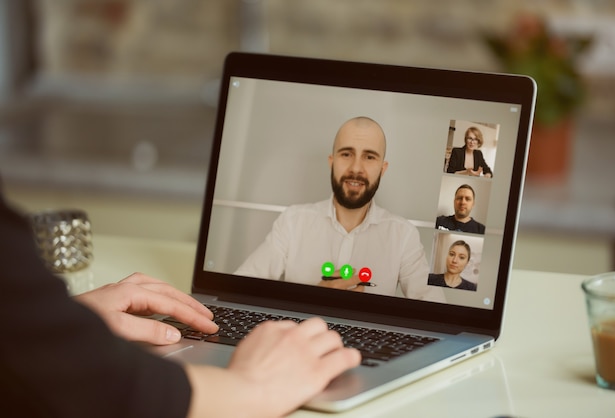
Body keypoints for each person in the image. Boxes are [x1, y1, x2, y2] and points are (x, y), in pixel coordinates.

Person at [0, 188, 361, 417]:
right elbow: (106, 391)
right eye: (347, 153)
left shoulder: (400, 233)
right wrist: (250, 388)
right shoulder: (296, 221)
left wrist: (51, 321)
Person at [235, 116, 443, 302]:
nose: (355, 168)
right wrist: (313, 299)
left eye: (369, 157)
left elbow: (435, 313)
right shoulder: (292, 221)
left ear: (382, 168)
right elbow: (240, 290)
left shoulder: (404, 235)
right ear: (332, 162)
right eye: (346, 154)